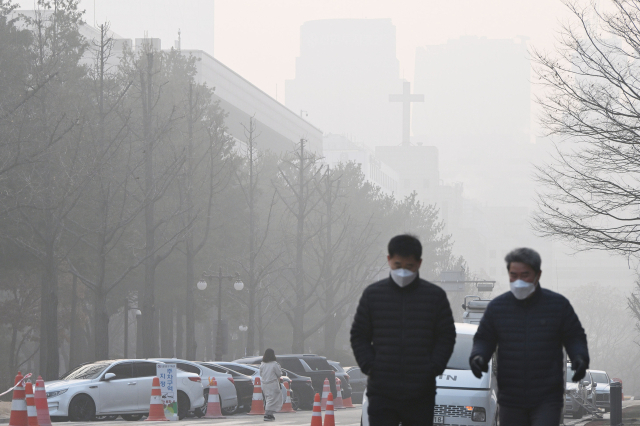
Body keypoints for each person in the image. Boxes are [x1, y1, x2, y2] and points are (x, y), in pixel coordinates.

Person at [469, 247, 589, 426]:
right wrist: (478, 356)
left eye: (525, 275)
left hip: (547, 397)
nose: (518, 281)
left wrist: (579, 357)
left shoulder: (557, 306)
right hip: (511, 397)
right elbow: (484, 338)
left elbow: (574, 336)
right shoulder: (497, 308)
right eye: (513, 275)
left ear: (538, 275)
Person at [350, 234, 456, 426]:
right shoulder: (373, 295)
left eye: (409, 266)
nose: (403, 272)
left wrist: (433, 367)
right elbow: (359, 336)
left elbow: (446, 337)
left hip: (420, 392)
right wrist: (370, 365)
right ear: (389, 260)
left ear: (419, 263)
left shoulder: (434, 297)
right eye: (398, 265)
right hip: (382, 390)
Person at [259, 348, 283, 422]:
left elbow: (261, 374)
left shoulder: (262, 364)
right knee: (272, 399)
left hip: (264, 384)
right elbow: (279, 374)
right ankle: (268, 414)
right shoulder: (274, 364)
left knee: (268, 398)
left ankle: (270, 413)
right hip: (272, 383)